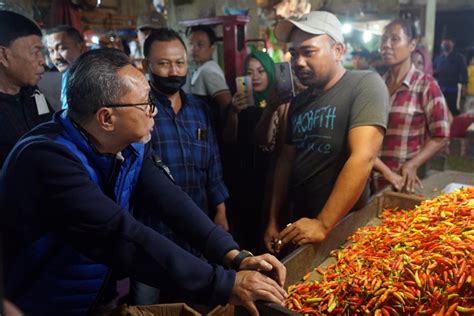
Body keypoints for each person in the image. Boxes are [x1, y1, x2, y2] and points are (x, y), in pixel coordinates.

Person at [0, 48, 287, 316]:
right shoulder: (47, 157)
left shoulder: (127, 146)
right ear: (106, 118)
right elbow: (118, 234)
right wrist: (224, 284)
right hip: (39, 303)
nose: (155, 111)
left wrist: (234, 256)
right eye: (146, 103)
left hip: (96, 296)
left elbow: (171, 201)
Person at [263, 11, 389, 252]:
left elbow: (363, 157)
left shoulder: (364, 85)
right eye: (294, 53)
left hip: (344, 227)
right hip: (300, 225)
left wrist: (322, 223)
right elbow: (286, 162)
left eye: (308, 52)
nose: (298, 62)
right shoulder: (299, 102)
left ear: (338, 51)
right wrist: (272, 219)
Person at [130, 28, 230, 304]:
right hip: (151, 231)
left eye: (180, 63)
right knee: (145, 304)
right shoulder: (137, 108)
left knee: (197, 302)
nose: (173, 70)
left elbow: (213, 161)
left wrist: (220, 212)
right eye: (163, 64)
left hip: (197, 229)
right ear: (146, 65)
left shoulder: (199, 108)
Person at [223, 51, 291, 253]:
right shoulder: (239, 102)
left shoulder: (281, 103)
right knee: (244, 230)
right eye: (249, 71)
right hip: (242, 177)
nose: (255, 76)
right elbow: (228, 139)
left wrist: (273, 106)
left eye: (261, 71)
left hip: (268, 176)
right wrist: (234, 112)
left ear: (271, 73)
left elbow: (269, 143)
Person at [373, 19, 450, 193]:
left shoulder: (426, 85)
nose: (386, 45)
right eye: (383, 39)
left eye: (394, 39)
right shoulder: (375, 85)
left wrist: (413, 164)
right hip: (368, 179)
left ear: (412, 45)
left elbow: (441, 135)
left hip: (399, 183)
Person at [0, 10, 53, 168]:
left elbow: (51, 128)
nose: (42, 61)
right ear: (3, 55)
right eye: (36, 52)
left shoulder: (33, 93)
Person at [187, 25, 232, 132]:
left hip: (209, 131)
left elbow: (227, 103)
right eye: (191, 44)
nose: (194, 49)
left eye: (200, 45)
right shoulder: (201, 68)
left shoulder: (208, 70)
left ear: (212, 48)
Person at [45, 25, 86, 109]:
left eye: (62, 48)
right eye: (51, 51)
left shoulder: (93, 77)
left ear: (81, 48)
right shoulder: (68, 73)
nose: (56, 57)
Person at [433, 36, 468, 116]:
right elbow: (433, 72)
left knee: (453, 110)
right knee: (439, 111)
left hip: (453, 90)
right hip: (440, 90)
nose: (446, 43)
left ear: (453, 44)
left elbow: (464, 73)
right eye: (444, 41)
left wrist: (465, 87)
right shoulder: (438, 58)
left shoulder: (459, 58)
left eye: (448, 41)